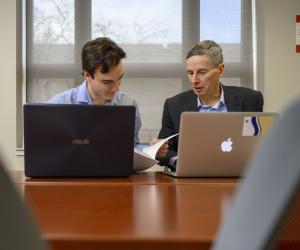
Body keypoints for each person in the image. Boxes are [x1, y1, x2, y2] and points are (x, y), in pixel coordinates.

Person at [48, 37, 167, 158]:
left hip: (114, 174)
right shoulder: (57, 105)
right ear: (87, 75)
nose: (116, 88)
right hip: (70, 174)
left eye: (119, 78)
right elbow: (49, 148)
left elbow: (132, 147)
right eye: (107, 82)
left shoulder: (128, 103)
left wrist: (151, 150)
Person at [157, 40, 264, 167]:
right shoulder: (174, 105)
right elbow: (164, 153)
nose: (194, 80)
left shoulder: (250, 99)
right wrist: (164, 153)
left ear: (220, 69)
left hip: (238, 176)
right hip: (191, 178)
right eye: (190, 73)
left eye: (202, 72)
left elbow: (258, 146)